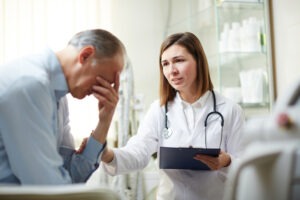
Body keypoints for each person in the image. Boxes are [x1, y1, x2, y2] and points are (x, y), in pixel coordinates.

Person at [96, 32, 245, 199]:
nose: (171, 71)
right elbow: (139, 150)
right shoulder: (159, 109)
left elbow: (246, 167)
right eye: (165, 64)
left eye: (179, 61)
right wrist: (108, 155)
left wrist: (227, 161)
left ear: (199, 61)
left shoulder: (230, 110)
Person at [0, 29, 126, 185]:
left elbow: (70, 176)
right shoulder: (31, 84)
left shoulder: (58, 98)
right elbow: (46, 186)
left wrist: (105, 121)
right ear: (85, 55)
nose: (100, 92)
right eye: (102, 82)